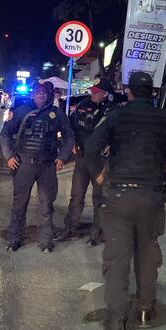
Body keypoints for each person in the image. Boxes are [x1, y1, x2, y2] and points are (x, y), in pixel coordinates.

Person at [84, 71, 166, 330]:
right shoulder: (164, 119)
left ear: (129, 92)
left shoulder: (116, 117)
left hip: (120, 196)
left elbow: (90, 148)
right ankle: (145, 310)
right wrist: (162, 152)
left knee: (117, 262)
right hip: (151, 198)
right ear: (152, 93)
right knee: (147, 255)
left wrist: (98, 175)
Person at [0, 82, 74, 253]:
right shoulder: (21, 111)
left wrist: (63, 157)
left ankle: (46, 241)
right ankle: (14, 239)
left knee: (46, 205)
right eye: (38, 92)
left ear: (49, 95)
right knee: (19, 204)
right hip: (24, 164)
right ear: (33, 94)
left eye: (44, 92)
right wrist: (10, 155)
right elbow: (5, 133)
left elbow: (69, 136)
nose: (41, 95)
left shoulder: (56, 114)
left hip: (47, 166)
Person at [59, 77, 114, 246]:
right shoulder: (82, 105)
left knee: (100, 198)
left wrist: (112, 144)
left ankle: (96, 234)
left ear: (105, 94)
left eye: (96, 92)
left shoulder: (112, 111)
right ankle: (70, 229)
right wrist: (72, 143)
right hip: (82, 158)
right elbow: (71, 127)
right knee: (76, 196)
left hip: (100, 161)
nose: (93, 93)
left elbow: (118, 132)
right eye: (92, 90)